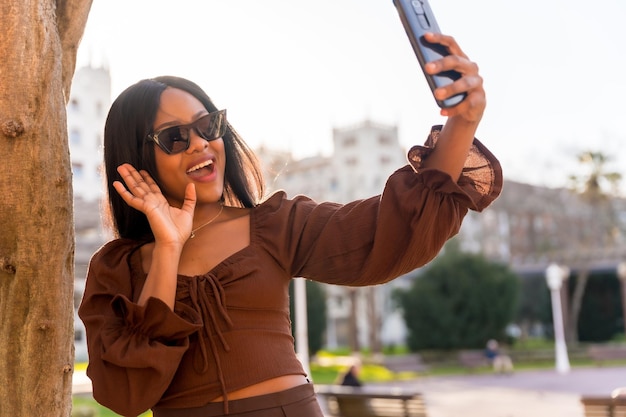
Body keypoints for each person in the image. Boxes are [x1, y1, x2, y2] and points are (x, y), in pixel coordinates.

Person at [78, 31, 502, 417]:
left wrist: (461, 122)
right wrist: (168, 248)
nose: (202, 144)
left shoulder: (275, 225)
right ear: (136, 158)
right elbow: (125, 393)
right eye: (175, 138)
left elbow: (387, 231)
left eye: (208, 125)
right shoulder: (116, 270)